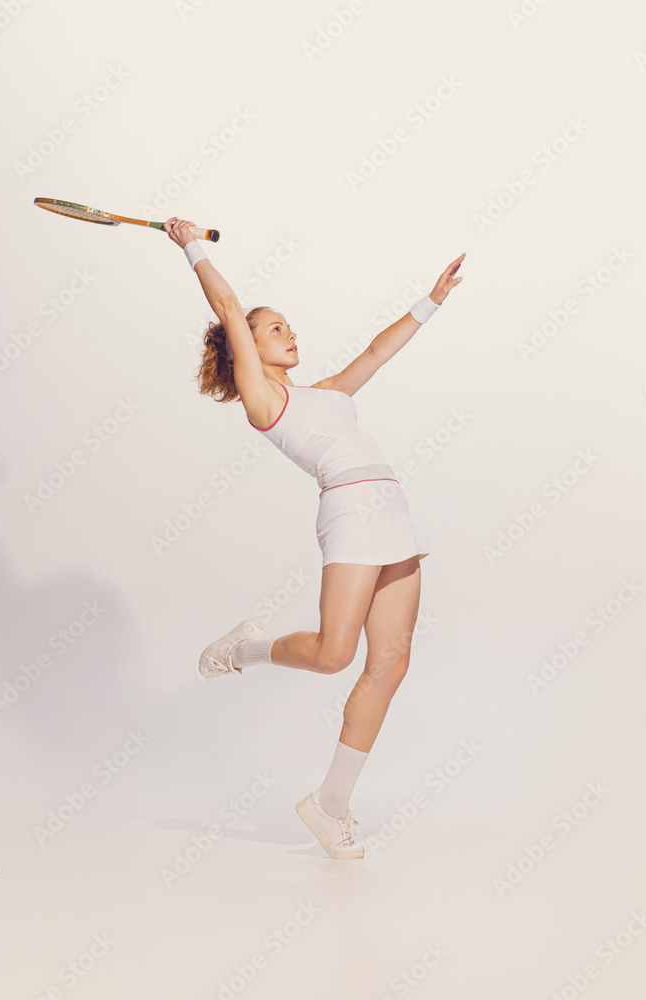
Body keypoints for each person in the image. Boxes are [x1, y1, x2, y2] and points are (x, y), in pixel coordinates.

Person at [164, 216, 464, 859]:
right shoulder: (262, 400)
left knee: (392, 663)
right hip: (351, 514)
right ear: (247, 344)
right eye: (275, 328)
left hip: (394, 512)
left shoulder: (326, 393)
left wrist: (429, 302)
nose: (289, 332)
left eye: (288, 326)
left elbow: (377, 355)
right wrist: (190, 245)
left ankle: (330, 805)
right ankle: (244, 650)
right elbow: (225, 303)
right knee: (334, 655)